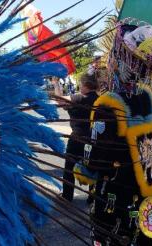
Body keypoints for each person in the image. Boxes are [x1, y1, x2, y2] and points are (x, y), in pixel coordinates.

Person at [52, 73, 99, 201]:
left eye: (81, 84)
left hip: (78, 138)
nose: (80, 86)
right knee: (92, 167)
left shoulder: (79, 98)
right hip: (95, 139)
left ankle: (67, 196)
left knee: (70, 168)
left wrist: (56, 83)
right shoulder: (100, 99)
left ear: (86, 85)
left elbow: (60, 100)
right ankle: (93, 198)